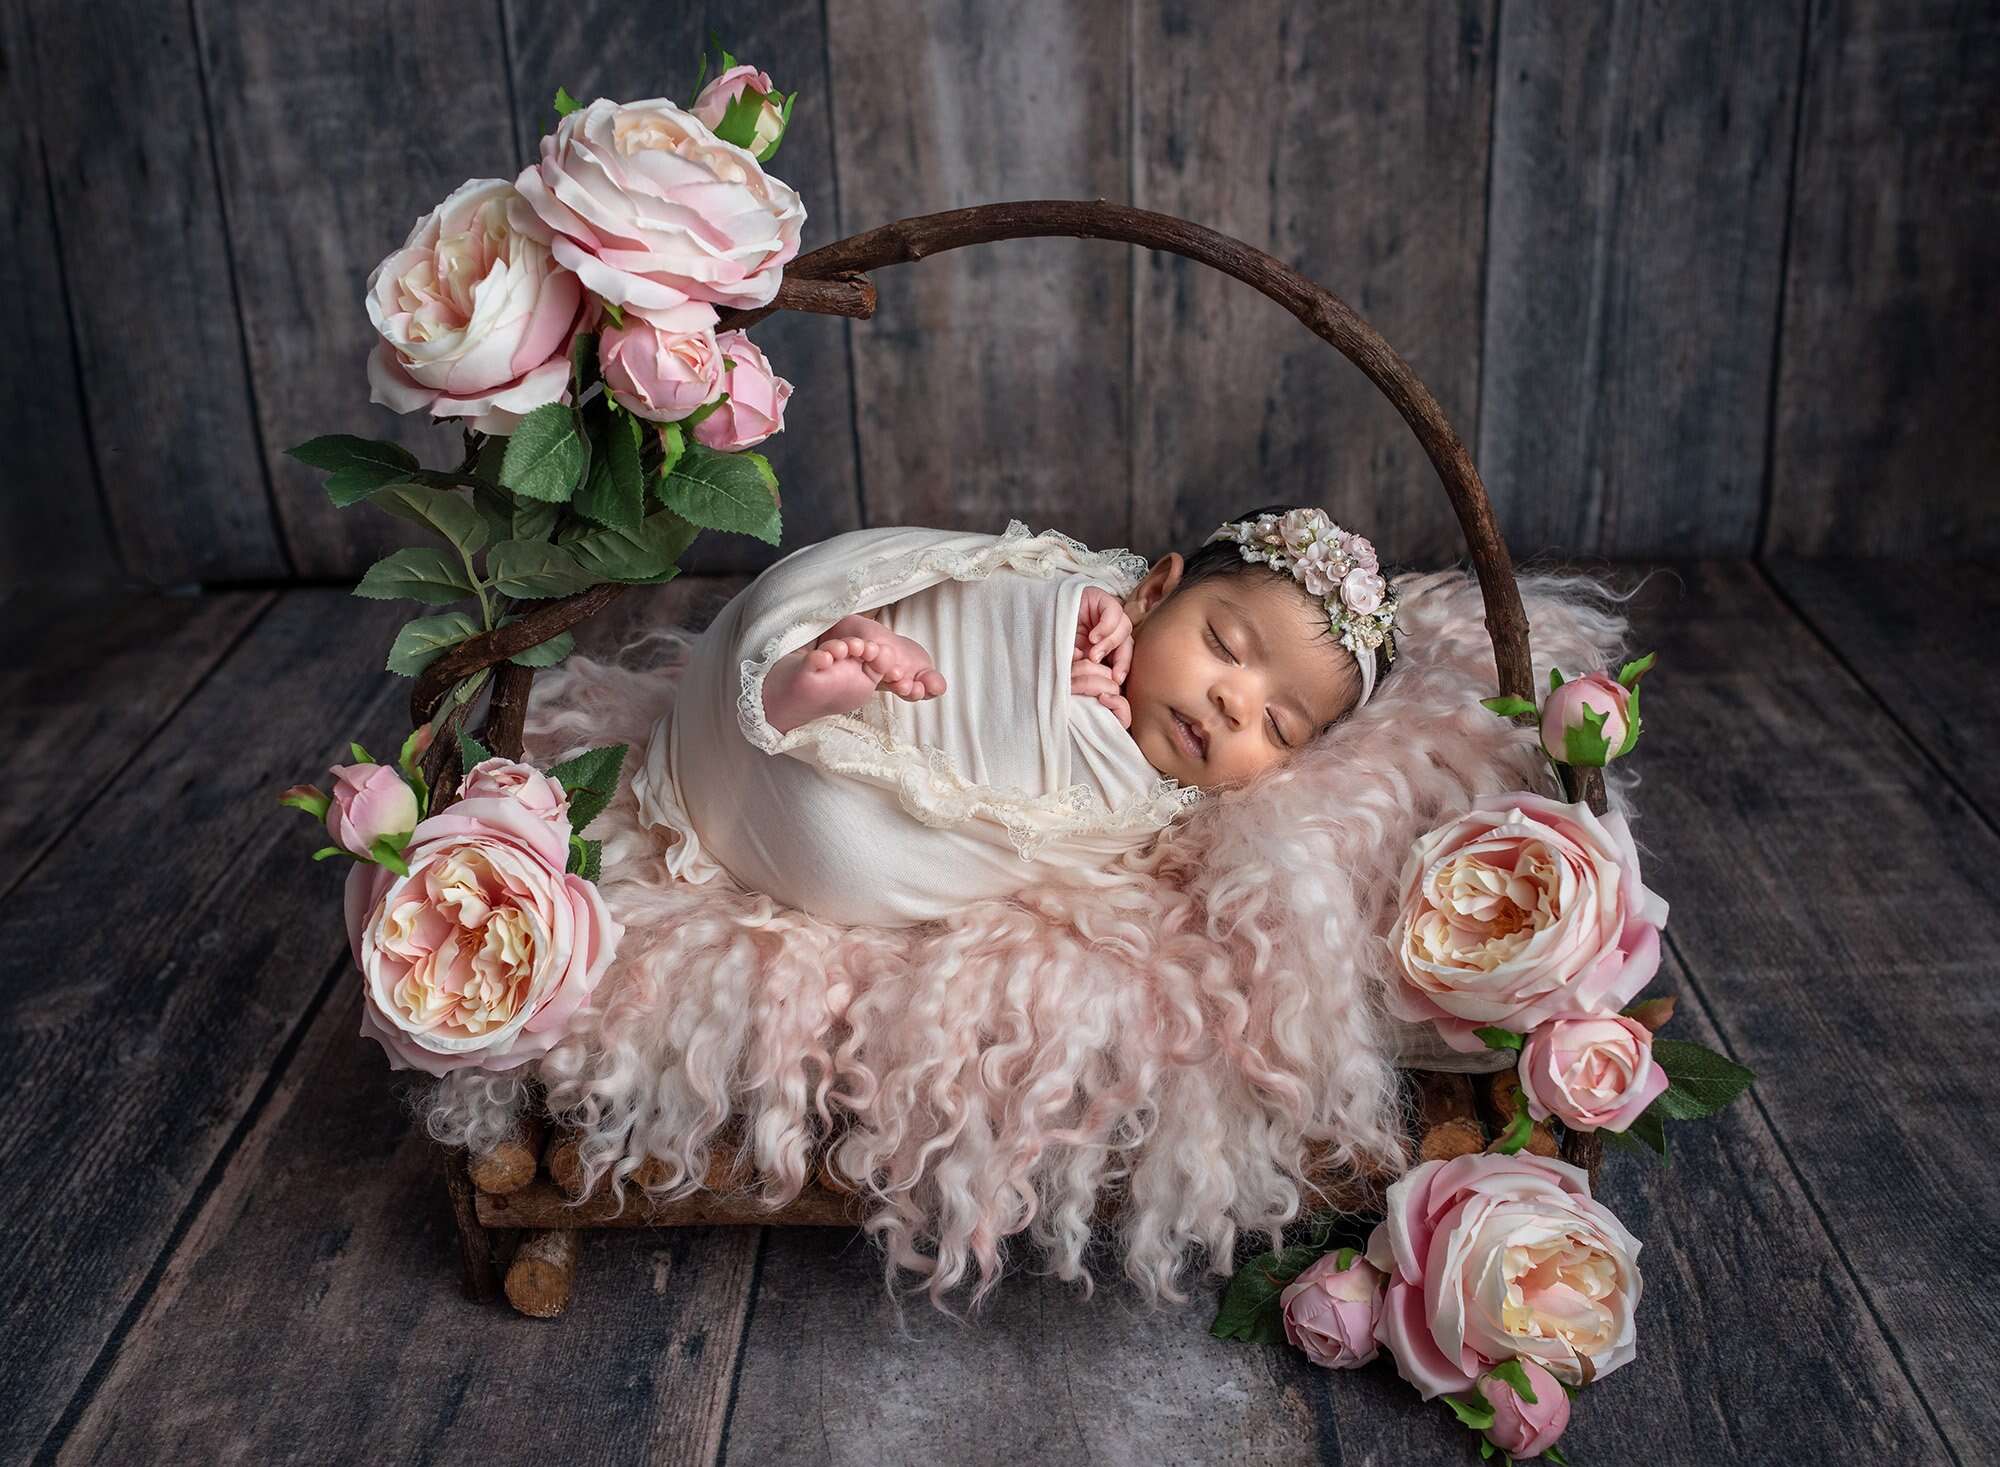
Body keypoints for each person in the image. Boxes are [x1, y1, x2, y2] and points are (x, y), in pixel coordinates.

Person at [631, 506, 1399, 927]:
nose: (1235, 704)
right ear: (1157, 593)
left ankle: (819, 697)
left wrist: (1084, 729)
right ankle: (809, 672)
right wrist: (1061, 627)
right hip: (911, 658)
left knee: (853, 867)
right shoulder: (1090, 595)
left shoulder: (1171, 806)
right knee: (966, 607)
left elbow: (1068, 841)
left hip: (822, 820)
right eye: (1224, 644)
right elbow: (991, 589)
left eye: (1279, 727)